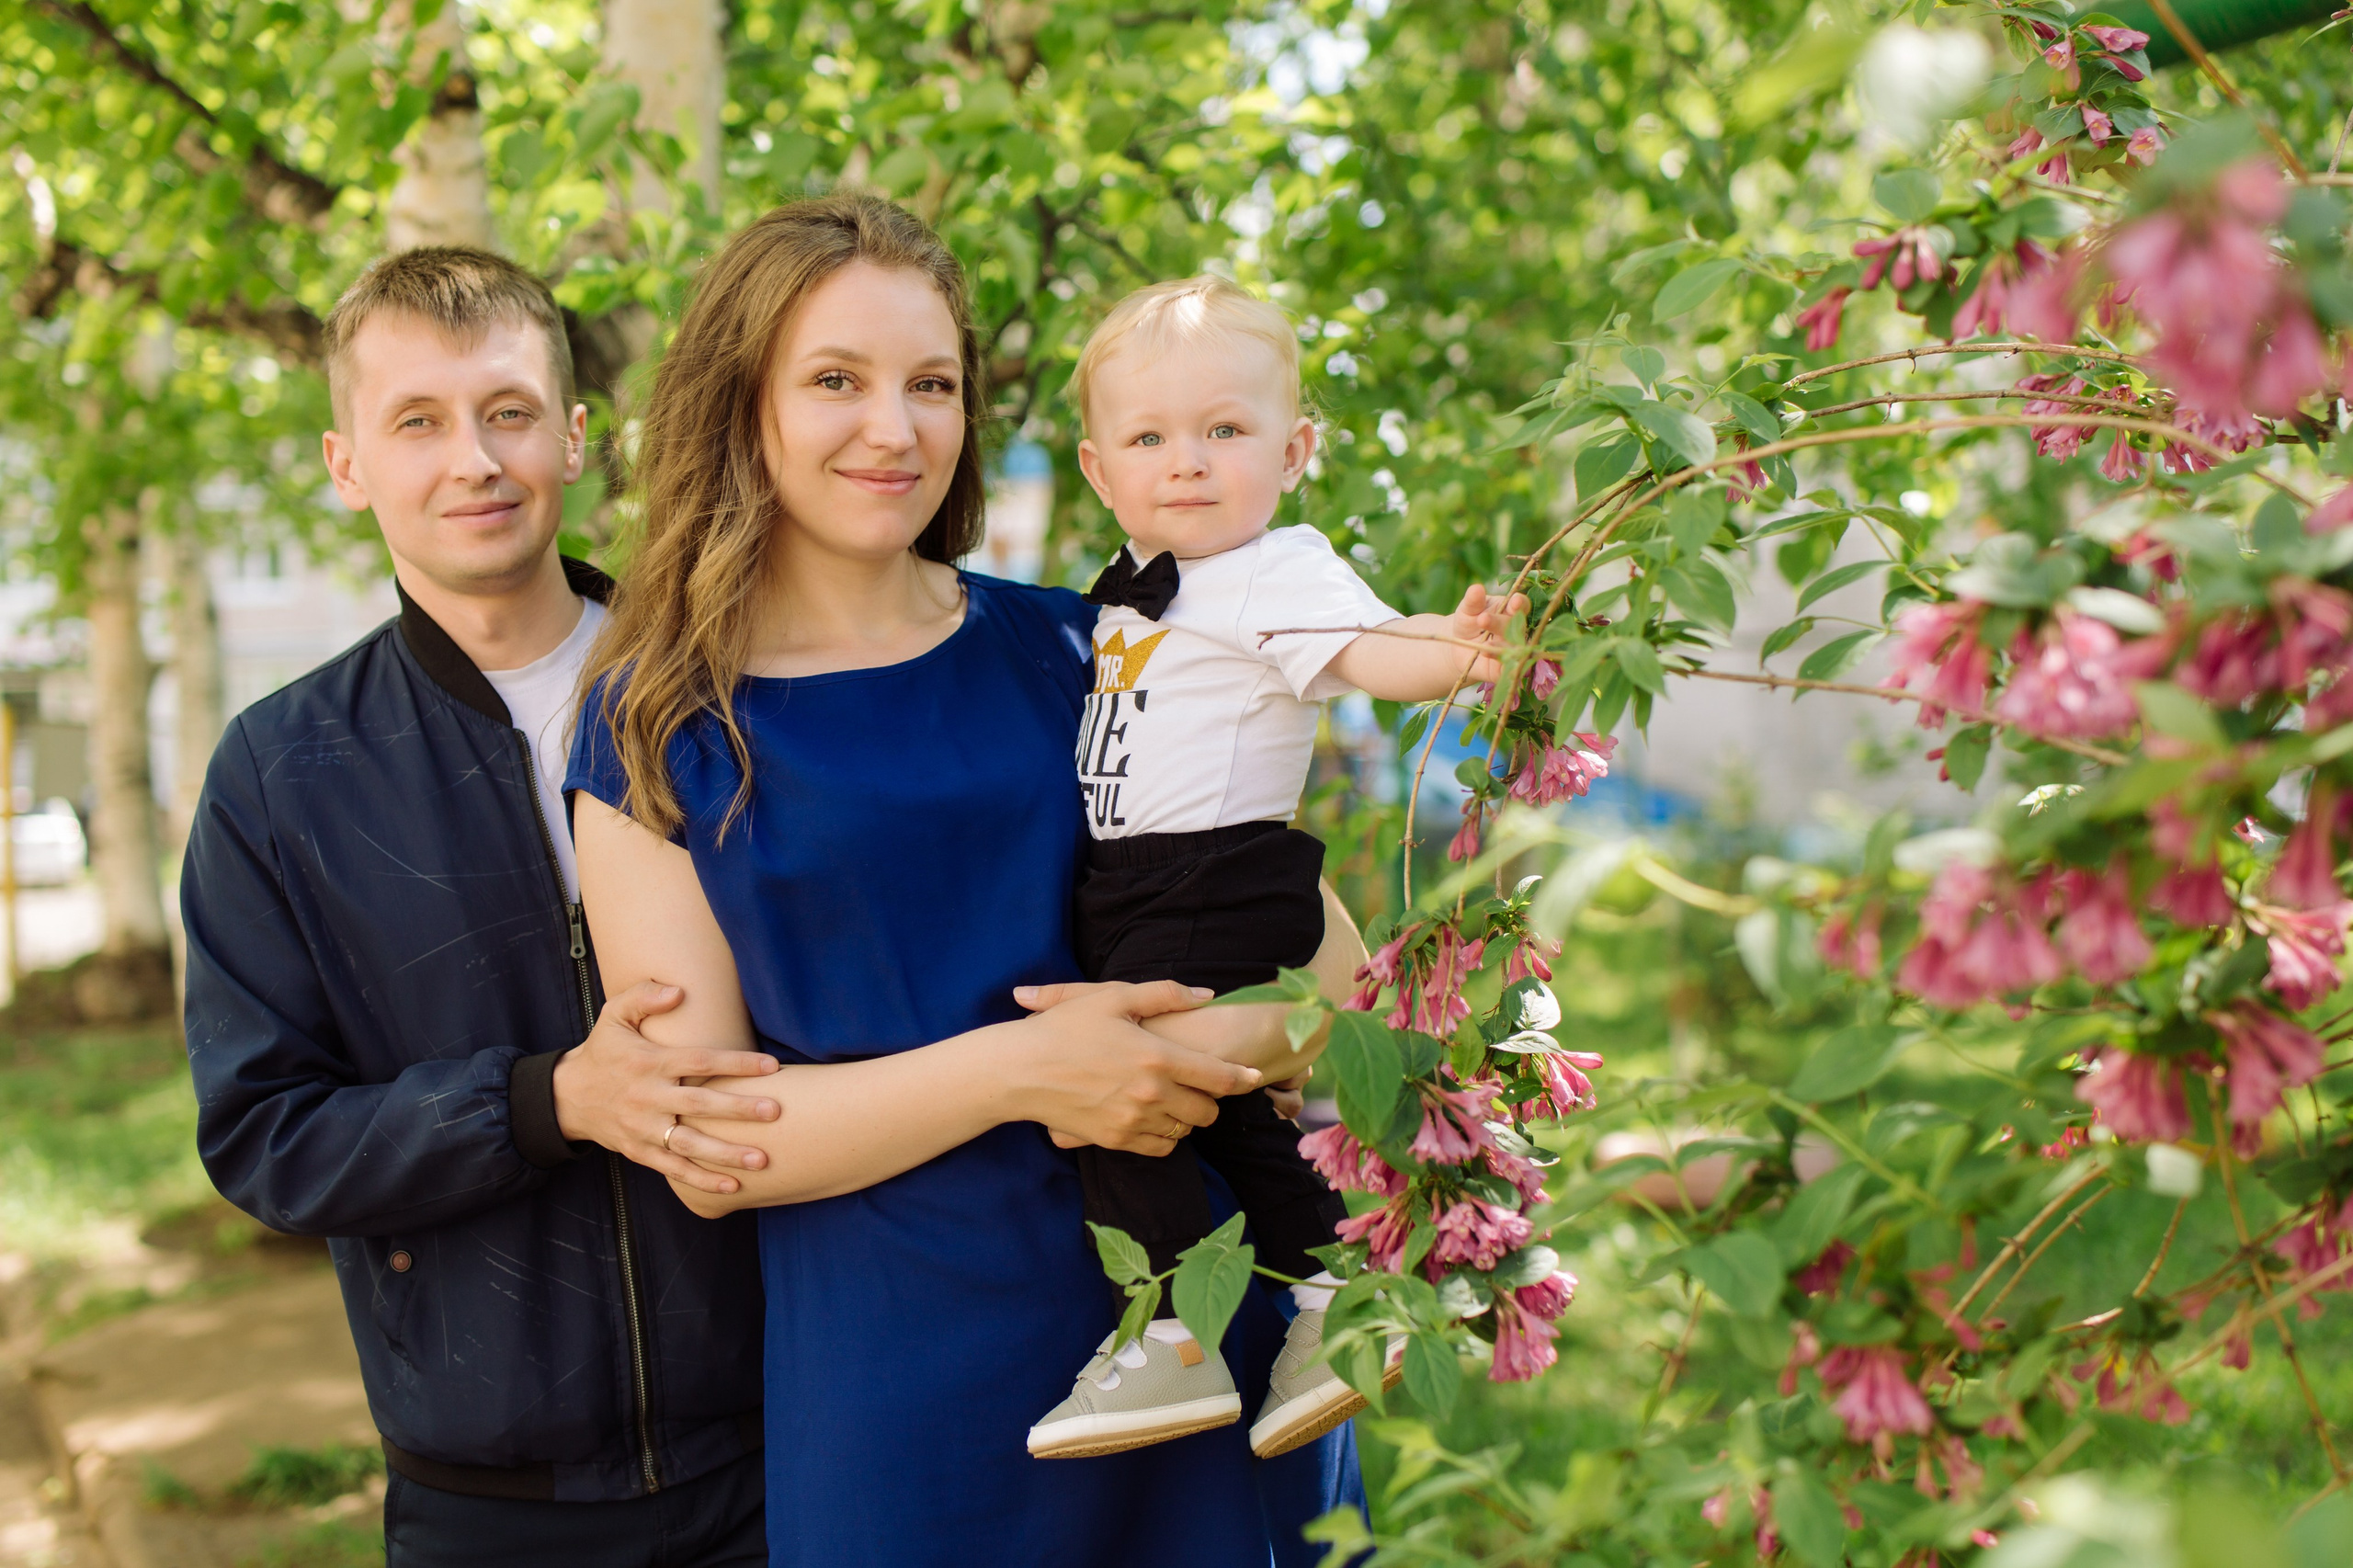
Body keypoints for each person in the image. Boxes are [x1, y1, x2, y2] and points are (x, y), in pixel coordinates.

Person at [178, 247, 1246, 1567]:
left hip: (802, 1398)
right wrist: (543, 1099)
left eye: (508, 411)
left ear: (576, 438)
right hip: (512, 1465)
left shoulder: (743, 674)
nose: (475, 460)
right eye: (417, 422)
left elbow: (1209, 912)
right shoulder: (296, 773)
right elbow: (268, 1130)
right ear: (346, 462)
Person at [565, 194, 1368, 1567]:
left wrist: (1240, 1038)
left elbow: (1336, 963)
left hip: (1227, 1340)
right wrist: (1025, 1071)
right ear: (740, 403)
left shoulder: (1095, 644)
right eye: (836, 381)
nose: (896, 428)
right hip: (917, 1387)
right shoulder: (658, 727)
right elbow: (709, 1146)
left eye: (932, 383)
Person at [1028, 276, 1527, 1463]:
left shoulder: (1271, 569)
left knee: (1116, 1089)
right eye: (1149, 438)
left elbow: (1363, 649)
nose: (1186, 462)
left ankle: (1164, 1338)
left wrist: (1452, 649)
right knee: (1232, 1113)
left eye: (1225, 430)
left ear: (1295, 449)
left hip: (1215, 875)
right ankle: (1331, 1293)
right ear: (1102, 471)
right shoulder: (1135, 584)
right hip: (1142, 887)